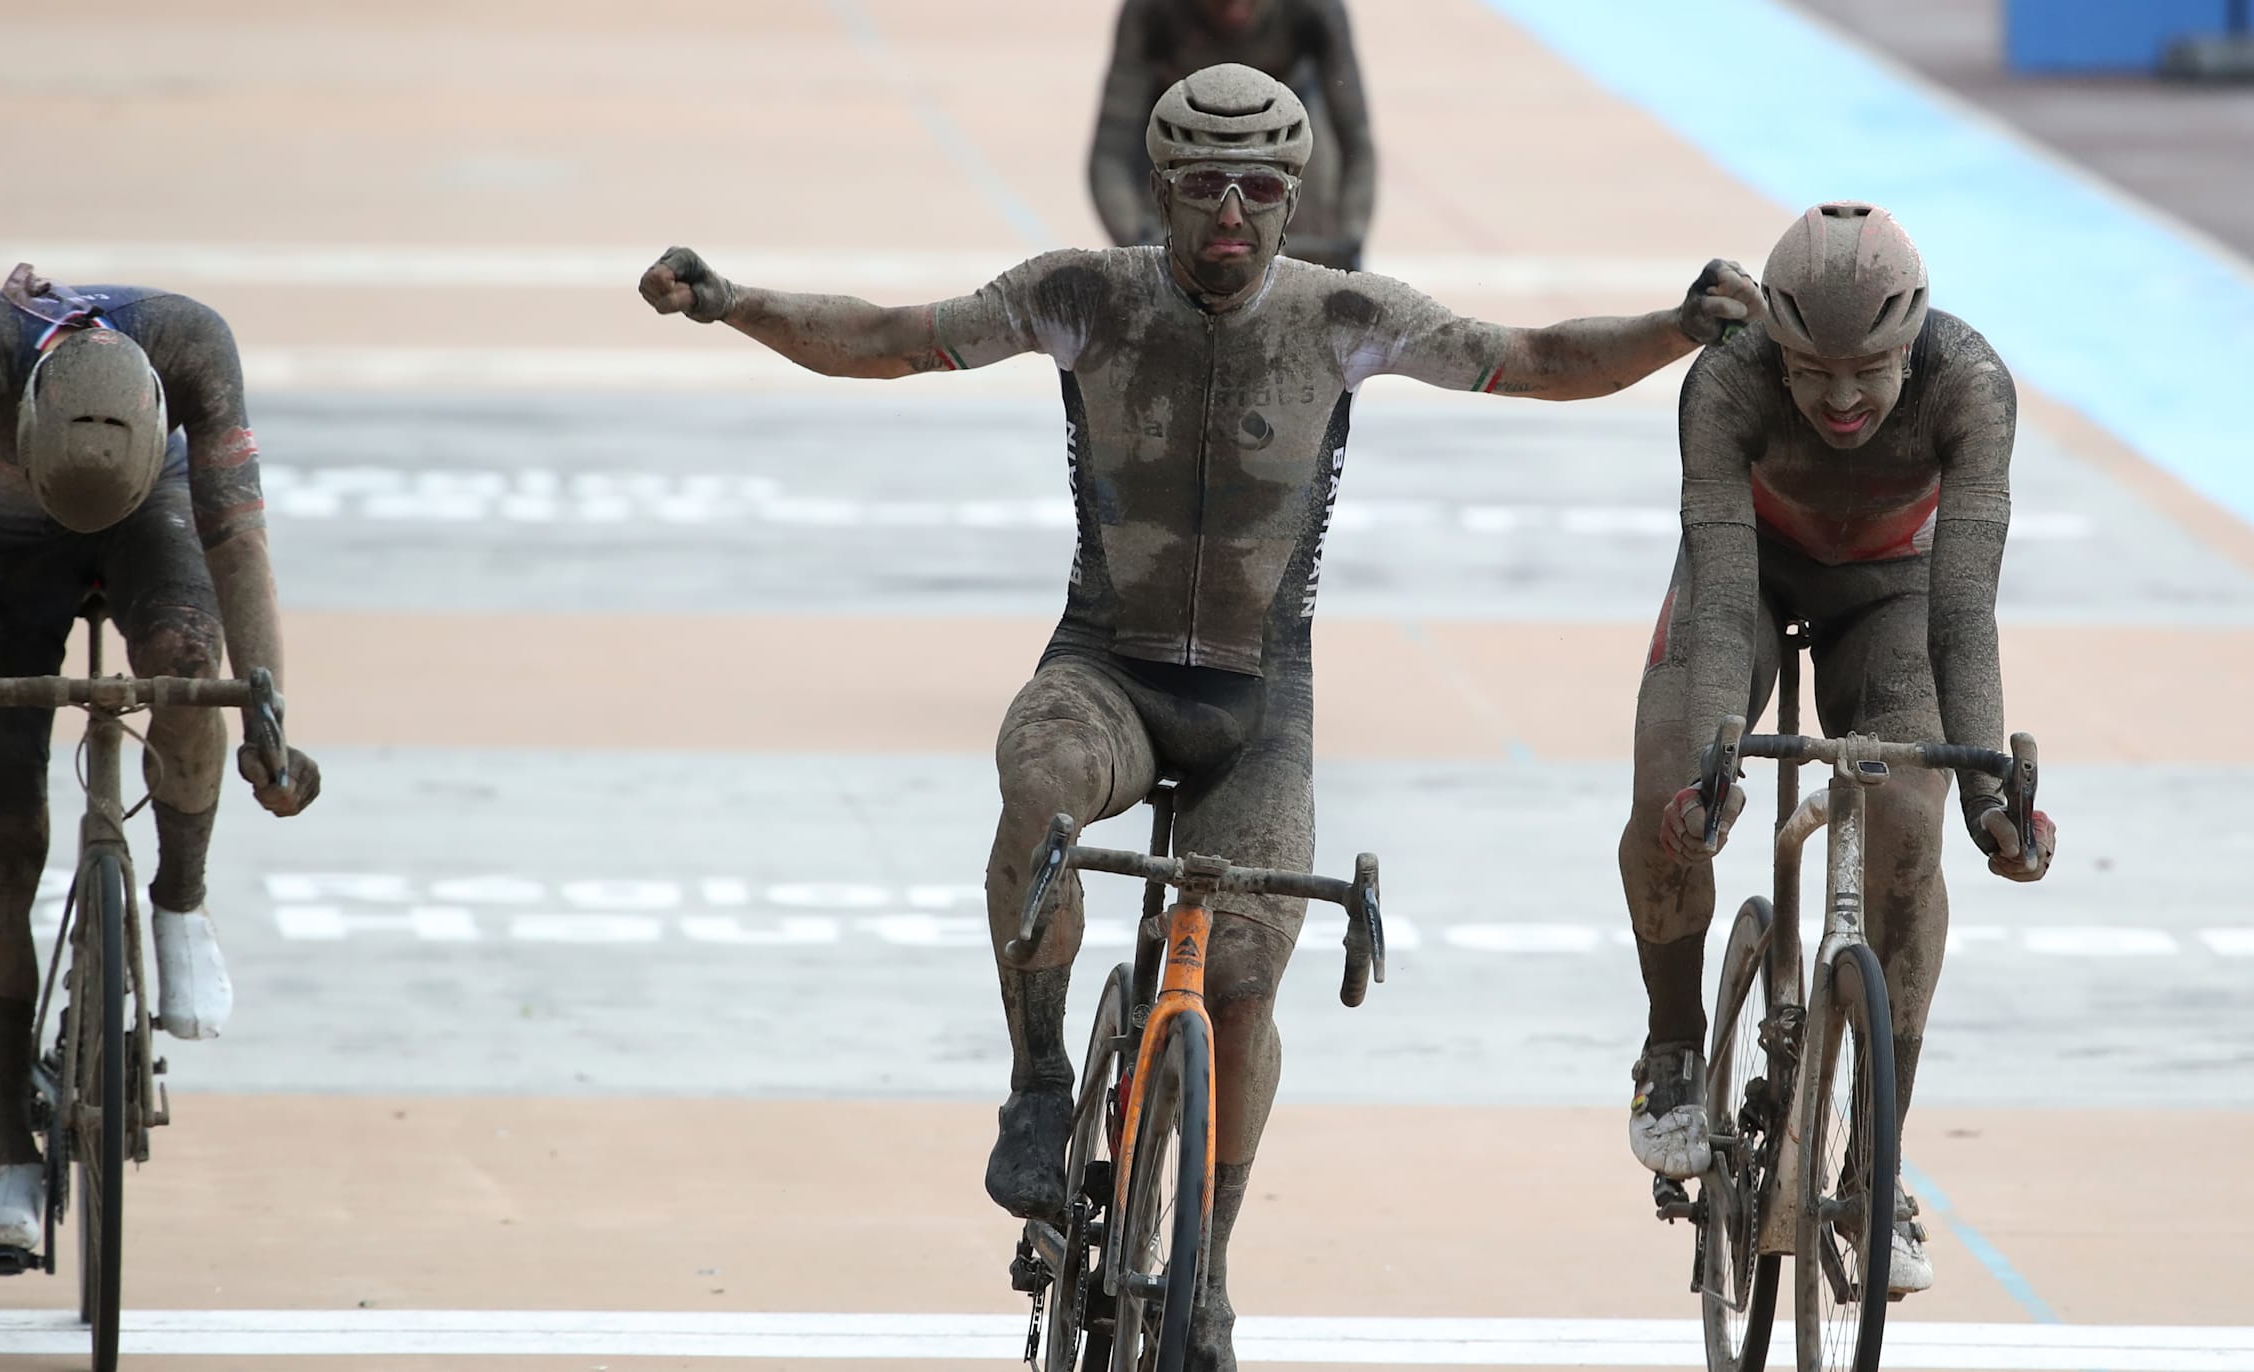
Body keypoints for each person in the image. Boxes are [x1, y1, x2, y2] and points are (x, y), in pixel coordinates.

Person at [640, 64, 1755, 1369]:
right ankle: (1042, 1087)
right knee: (1042, 787)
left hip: (1257, 701)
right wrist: (737, 304)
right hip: (1104, 666)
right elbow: (889, 337)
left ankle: (1209, 1267)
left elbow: (1539, 361)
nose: (1230, 213)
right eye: (1203, 187)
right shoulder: (1085, 297)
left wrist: (1679, 325)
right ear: (1160, 190)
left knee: (1240, 987)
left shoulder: (1345, 313)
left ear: (1295, 200)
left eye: (1260, 189)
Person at [1617, 203, 2057, 1295]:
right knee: (1673, 782)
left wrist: (1987, 796)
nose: (1843, 398)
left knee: (1907, 840)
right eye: (1812, 372)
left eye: (1869, 370)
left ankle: (1875, 1164)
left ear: (1915, 342)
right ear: (1774, 345)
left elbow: (1962, 610)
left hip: (1897, 596)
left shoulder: (1971, 385)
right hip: (1749, 578)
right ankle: (1672, 1049)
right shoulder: (1725, 378)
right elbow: (1718, 599)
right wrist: (1712, 776)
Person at [0, 265, 322, 1258]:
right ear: (20, 422)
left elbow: (237, 542)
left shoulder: (194, 344)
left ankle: (180, 899)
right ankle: (10, 1160)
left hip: (147, 520)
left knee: (188, 667)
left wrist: (267, 714)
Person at [1090, 0, 1374, 269]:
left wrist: (1347, 236)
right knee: (1163, 202)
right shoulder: (1151, 11)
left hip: (1286, 131)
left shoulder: (1315, 10)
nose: (1234, 12)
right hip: (1182, 140)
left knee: (1312, 199)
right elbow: (1110, 154)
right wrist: (1136, 238)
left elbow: (1356, 141)